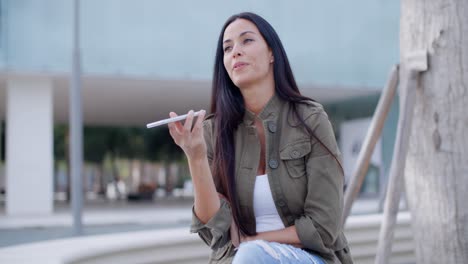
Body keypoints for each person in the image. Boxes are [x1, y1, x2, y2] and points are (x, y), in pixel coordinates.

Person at [168, 12, 353, 264]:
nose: (236, 52)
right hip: (242, 259)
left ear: (271, 54)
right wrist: (196, 156)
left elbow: (324, 226)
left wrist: (253, 243)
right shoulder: (213, 131)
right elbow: (216, 233)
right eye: (227, 47)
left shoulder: (310, 119)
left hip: (310, 258)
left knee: (250, 256)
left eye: (247, 41)